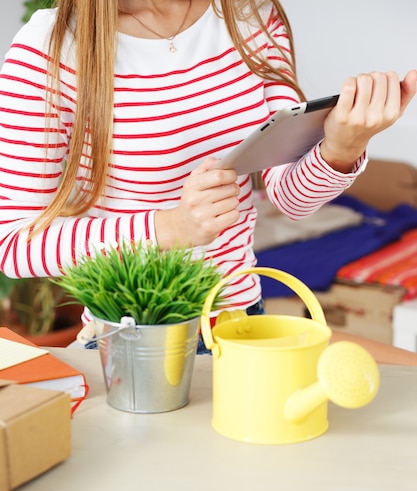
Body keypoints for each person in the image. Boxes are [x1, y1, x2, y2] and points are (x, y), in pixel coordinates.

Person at [0, 0, 416, 339]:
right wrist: (170, 227)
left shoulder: (246, 15)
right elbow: (13, 246)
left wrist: (342, 147)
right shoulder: (48, 49)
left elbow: (291, 199)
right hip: (134, 339)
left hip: (241, 324)